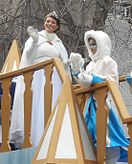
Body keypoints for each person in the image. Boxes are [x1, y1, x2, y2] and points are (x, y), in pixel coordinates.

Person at [10, 11, 70, 148]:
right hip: (37, 77)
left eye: (53, 22)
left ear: (57, 27)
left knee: (51, 106)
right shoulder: (36, 37)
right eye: (48, 21)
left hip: (54, 79)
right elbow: (28, 56)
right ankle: (34, 142)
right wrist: (34, 42)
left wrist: (67, 63)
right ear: (44, 22)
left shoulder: (58, 43)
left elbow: (63, 62)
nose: (50, 24)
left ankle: (50, 142)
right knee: (36, 106)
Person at [70, 30, 129, 163]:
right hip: (91, 105)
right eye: (90, 44)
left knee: (107, 136)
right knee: (88, 135)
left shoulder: (109, 61)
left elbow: (112, 81)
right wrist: (76, 71)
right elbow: (85, 84)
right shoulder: (90, 64)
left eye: (94, 44)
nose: (91, 47)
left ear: (102, 44)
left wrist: (92, 79)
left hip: (105, 104)